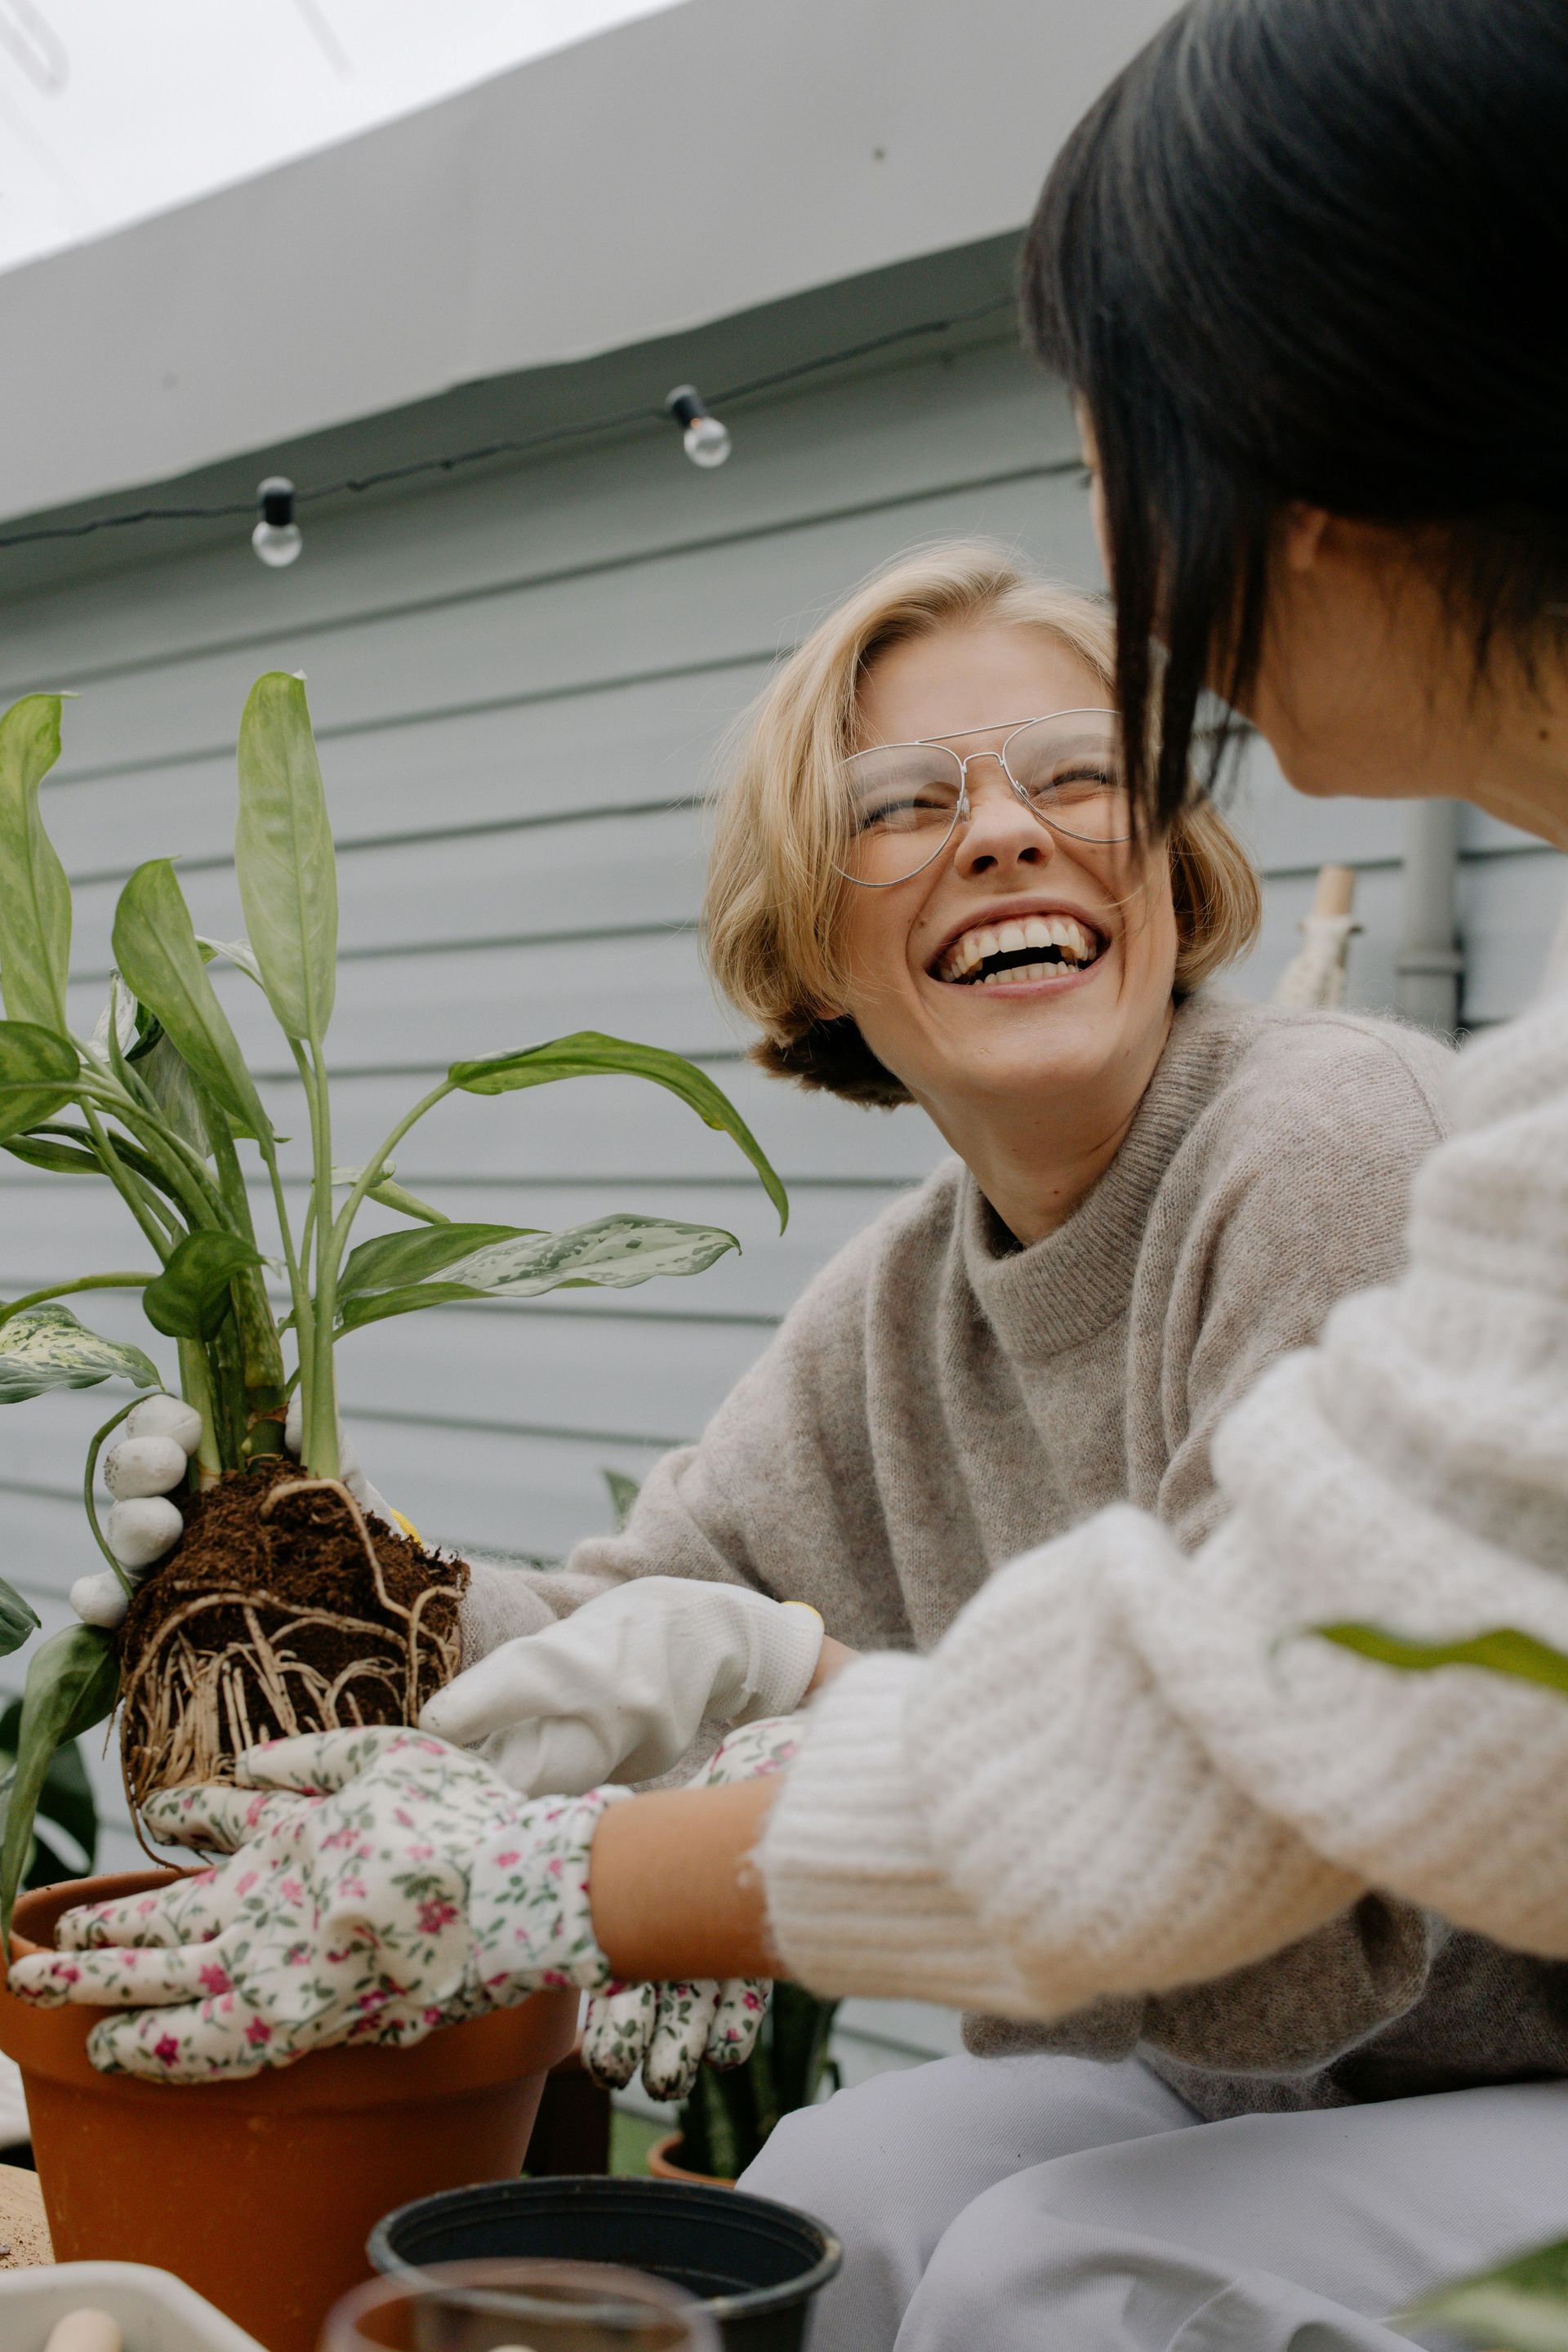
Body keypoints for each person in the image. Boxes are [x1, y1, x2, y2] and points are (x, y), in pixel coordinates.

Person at [20, 1, 1568, 2341]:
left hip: (1444, 2061)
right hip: (1254, 2078)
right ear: (812, 937)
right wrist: (309, 1570)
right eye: (907, 807)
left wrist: (578, 1866)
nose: (1020, 825)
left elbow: (1259, 1887)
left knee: (1060, 2262)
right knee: (839, 2186)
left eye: (1074, 764)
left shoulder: (1336, 1140)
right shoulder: (904, 1311)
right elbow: (633, 1614)